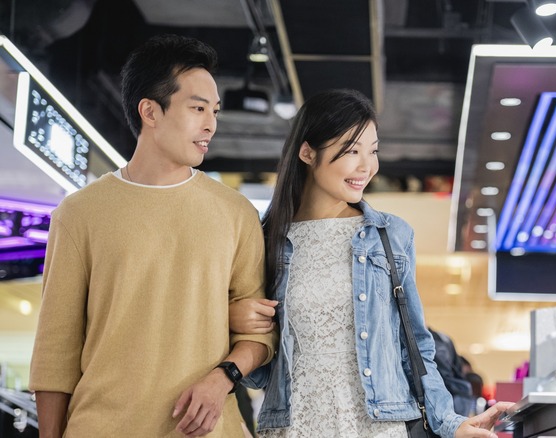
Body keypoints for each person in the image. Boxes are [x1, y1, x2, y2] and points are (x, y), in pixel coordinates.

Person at [29, 34, 278, 437]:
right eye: (197, 108)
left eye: (214, 111)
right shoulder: (78, 214)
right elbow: (56, 353)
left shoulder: (236, 213)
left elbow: (259, 332)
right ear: (150, 110)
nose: (210, 123)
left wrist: (222, 378)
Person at [228, 88, 513, 437]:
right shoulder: (266, 241)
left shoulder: (389, 235)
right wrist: (232, 320)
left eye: (373, 150)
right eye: (351, 151)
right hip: (295, 427)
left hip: (376, 428)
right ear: (307, 152)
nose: (367, 166)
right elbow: (260, 368)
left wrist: (450, 423)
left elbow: (416, 347)